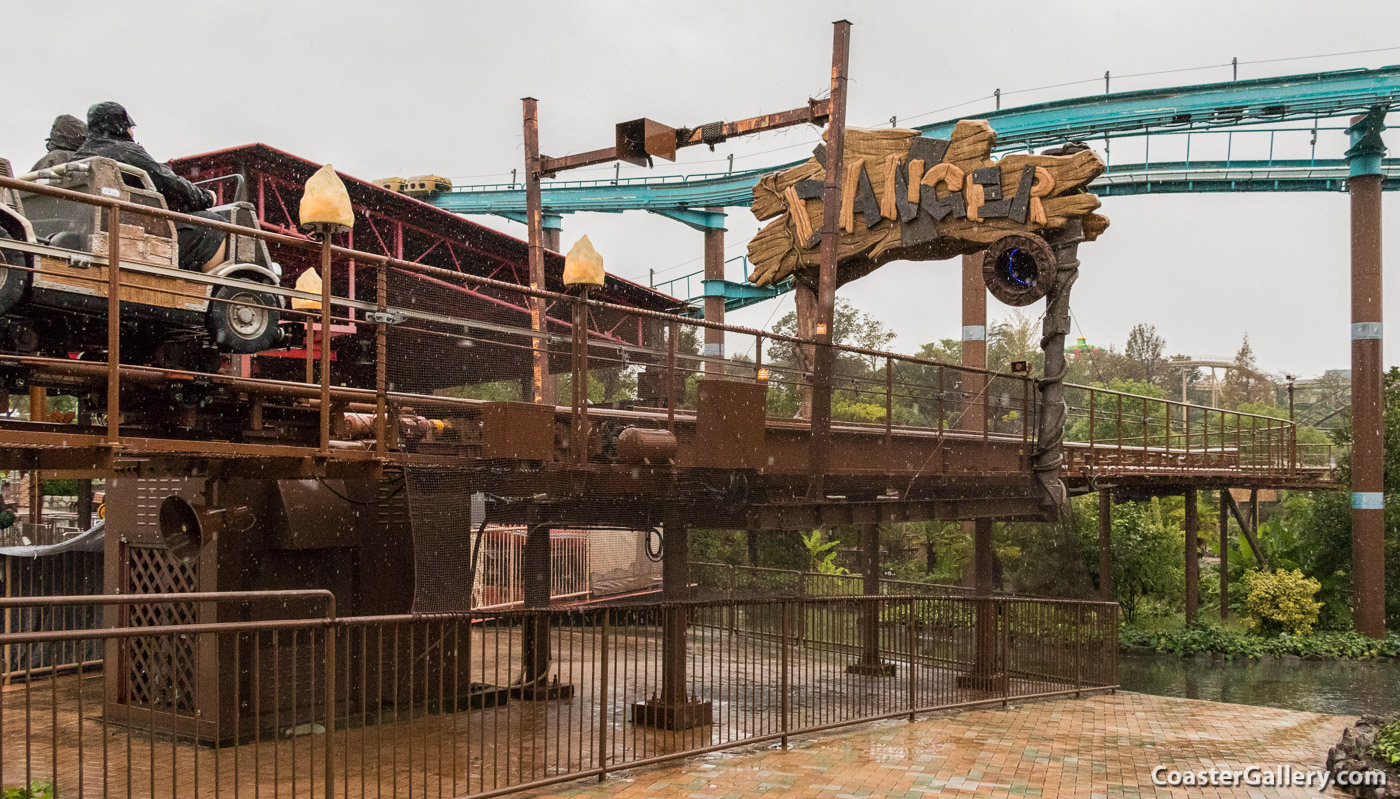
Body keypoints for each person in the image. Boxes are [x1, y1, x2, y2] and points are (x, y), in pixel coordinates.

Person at [72, 102, 225, 270]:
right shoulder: (127, 152)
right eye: (130, 127)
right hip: (130, 238)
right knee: (214, 225)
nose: (132, 132)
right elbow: (172, 186)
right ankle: (213, 291)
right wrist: (207, 197)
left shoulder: (78, 157)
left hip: (97, 234)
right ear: (121, 126)